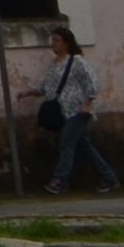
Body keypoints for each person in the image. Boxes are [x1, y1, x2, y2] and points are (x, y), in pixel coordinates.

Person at [34, 25, 117, 193]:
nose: (53, 44)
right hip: (62, 112)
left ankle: (60, 179)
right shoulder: (54, 64)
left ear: (67, 43)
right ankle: (108, 177)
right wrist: (30, 92)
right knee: (84, 145)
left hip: (77, 111)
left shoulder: (77, 62)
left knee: (66, 144)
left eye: (57, 41)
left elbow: (92, 83)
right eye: (53, 41)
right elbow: (46, 87)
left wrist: (87, 105)